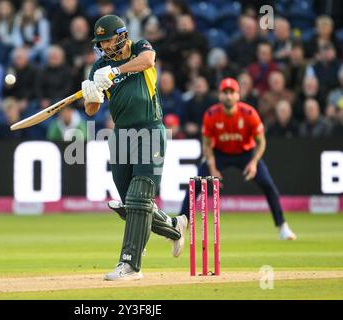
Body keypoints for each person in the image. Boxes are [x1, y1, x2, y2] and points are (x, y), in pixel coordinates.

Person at [82, 15, 188, 281]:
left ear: (120, 36)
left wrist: (116, 72)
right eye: (100, 42)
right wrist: (92, 93)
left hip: (150, 129)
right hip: (120, 135)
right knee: (132, 206)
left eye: (107, 40)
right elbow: (91, 110)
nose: (104, 46)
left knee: (139, 197)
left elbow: (148, 62)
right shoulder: (99, 66)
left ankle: (130, 265)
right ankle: (175, 226)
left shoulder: (141, 47)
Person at [178, 77, 297, 241]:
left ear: (237, 95)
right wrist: (212, 169)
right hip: (219, 153)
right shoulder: (211, 115)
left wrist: (254, 163)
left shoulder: (249, 113)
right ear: (220, 95)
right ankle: (179, 227)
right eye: (225, 93)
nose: (228, 96)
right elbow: (206, 145)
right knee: (196, 183)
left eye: (231, 92)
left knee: (267, 184)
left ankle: (283, 226)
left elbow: (261, 142)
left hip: (245, 154)